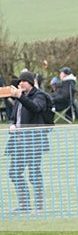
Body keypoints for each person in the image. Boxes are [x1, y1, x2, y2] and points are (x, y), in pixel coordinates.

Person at [5, 71, 51, 215]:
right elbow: (14, 117)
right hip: (18, 143)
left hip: (33, 141)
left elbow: (35, 107)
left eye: (23, 81)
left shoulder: (40, 96)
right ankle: (24, 204)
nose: (20, 84)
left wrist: (19, 97)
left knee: (34, 174)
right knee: (14, 173)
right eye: (19, 82)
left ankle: (39, 206)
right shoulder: (21, 98)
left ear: (30, 82)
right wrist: (12, 125)